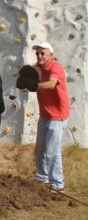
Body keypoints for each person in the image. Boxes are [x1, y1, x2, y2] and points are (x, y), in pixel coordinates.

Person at [32, 42, 69, 192]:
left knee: (52, 151)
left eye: (43, 53)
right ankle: (42, 178)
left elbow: (52, 84)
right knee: (40, 148)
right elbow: (30, 74)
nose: (39, 56)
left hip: (57, 116)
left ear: (51, 55)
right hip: (45, 114)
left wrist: (34, 85)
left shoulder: (56, 68)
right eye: (37, 53)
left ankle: (57, 183)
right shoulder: (39, 68)